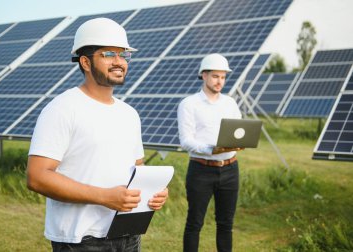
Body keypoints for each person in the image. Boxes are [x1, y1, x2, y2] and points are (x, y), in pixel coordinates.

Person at [26, 18, 168, 252]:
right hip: (81, 239)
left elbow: (138, 171)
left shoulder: (129, 114)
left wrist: (154, 192)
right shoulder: (62, 109)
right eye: (109, 54)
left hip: (128, 234)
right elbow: (37, 176)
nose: (119, 62)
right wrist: (104, 197)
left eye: (123, 55)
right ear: (85, 62)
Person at [177, 53, 244, 252]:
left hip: (230, 169)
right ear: (203, 75)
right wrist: (211, 150)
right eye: (215, 76)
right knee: (194, 223)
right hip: (201, 170)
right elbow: (186, 141)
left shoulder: (230, 103)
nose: (220, 81)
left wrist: (239, 143)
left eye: (223, 77)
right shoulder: (188, 104)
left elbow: (238, 131)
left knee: (226, 224)